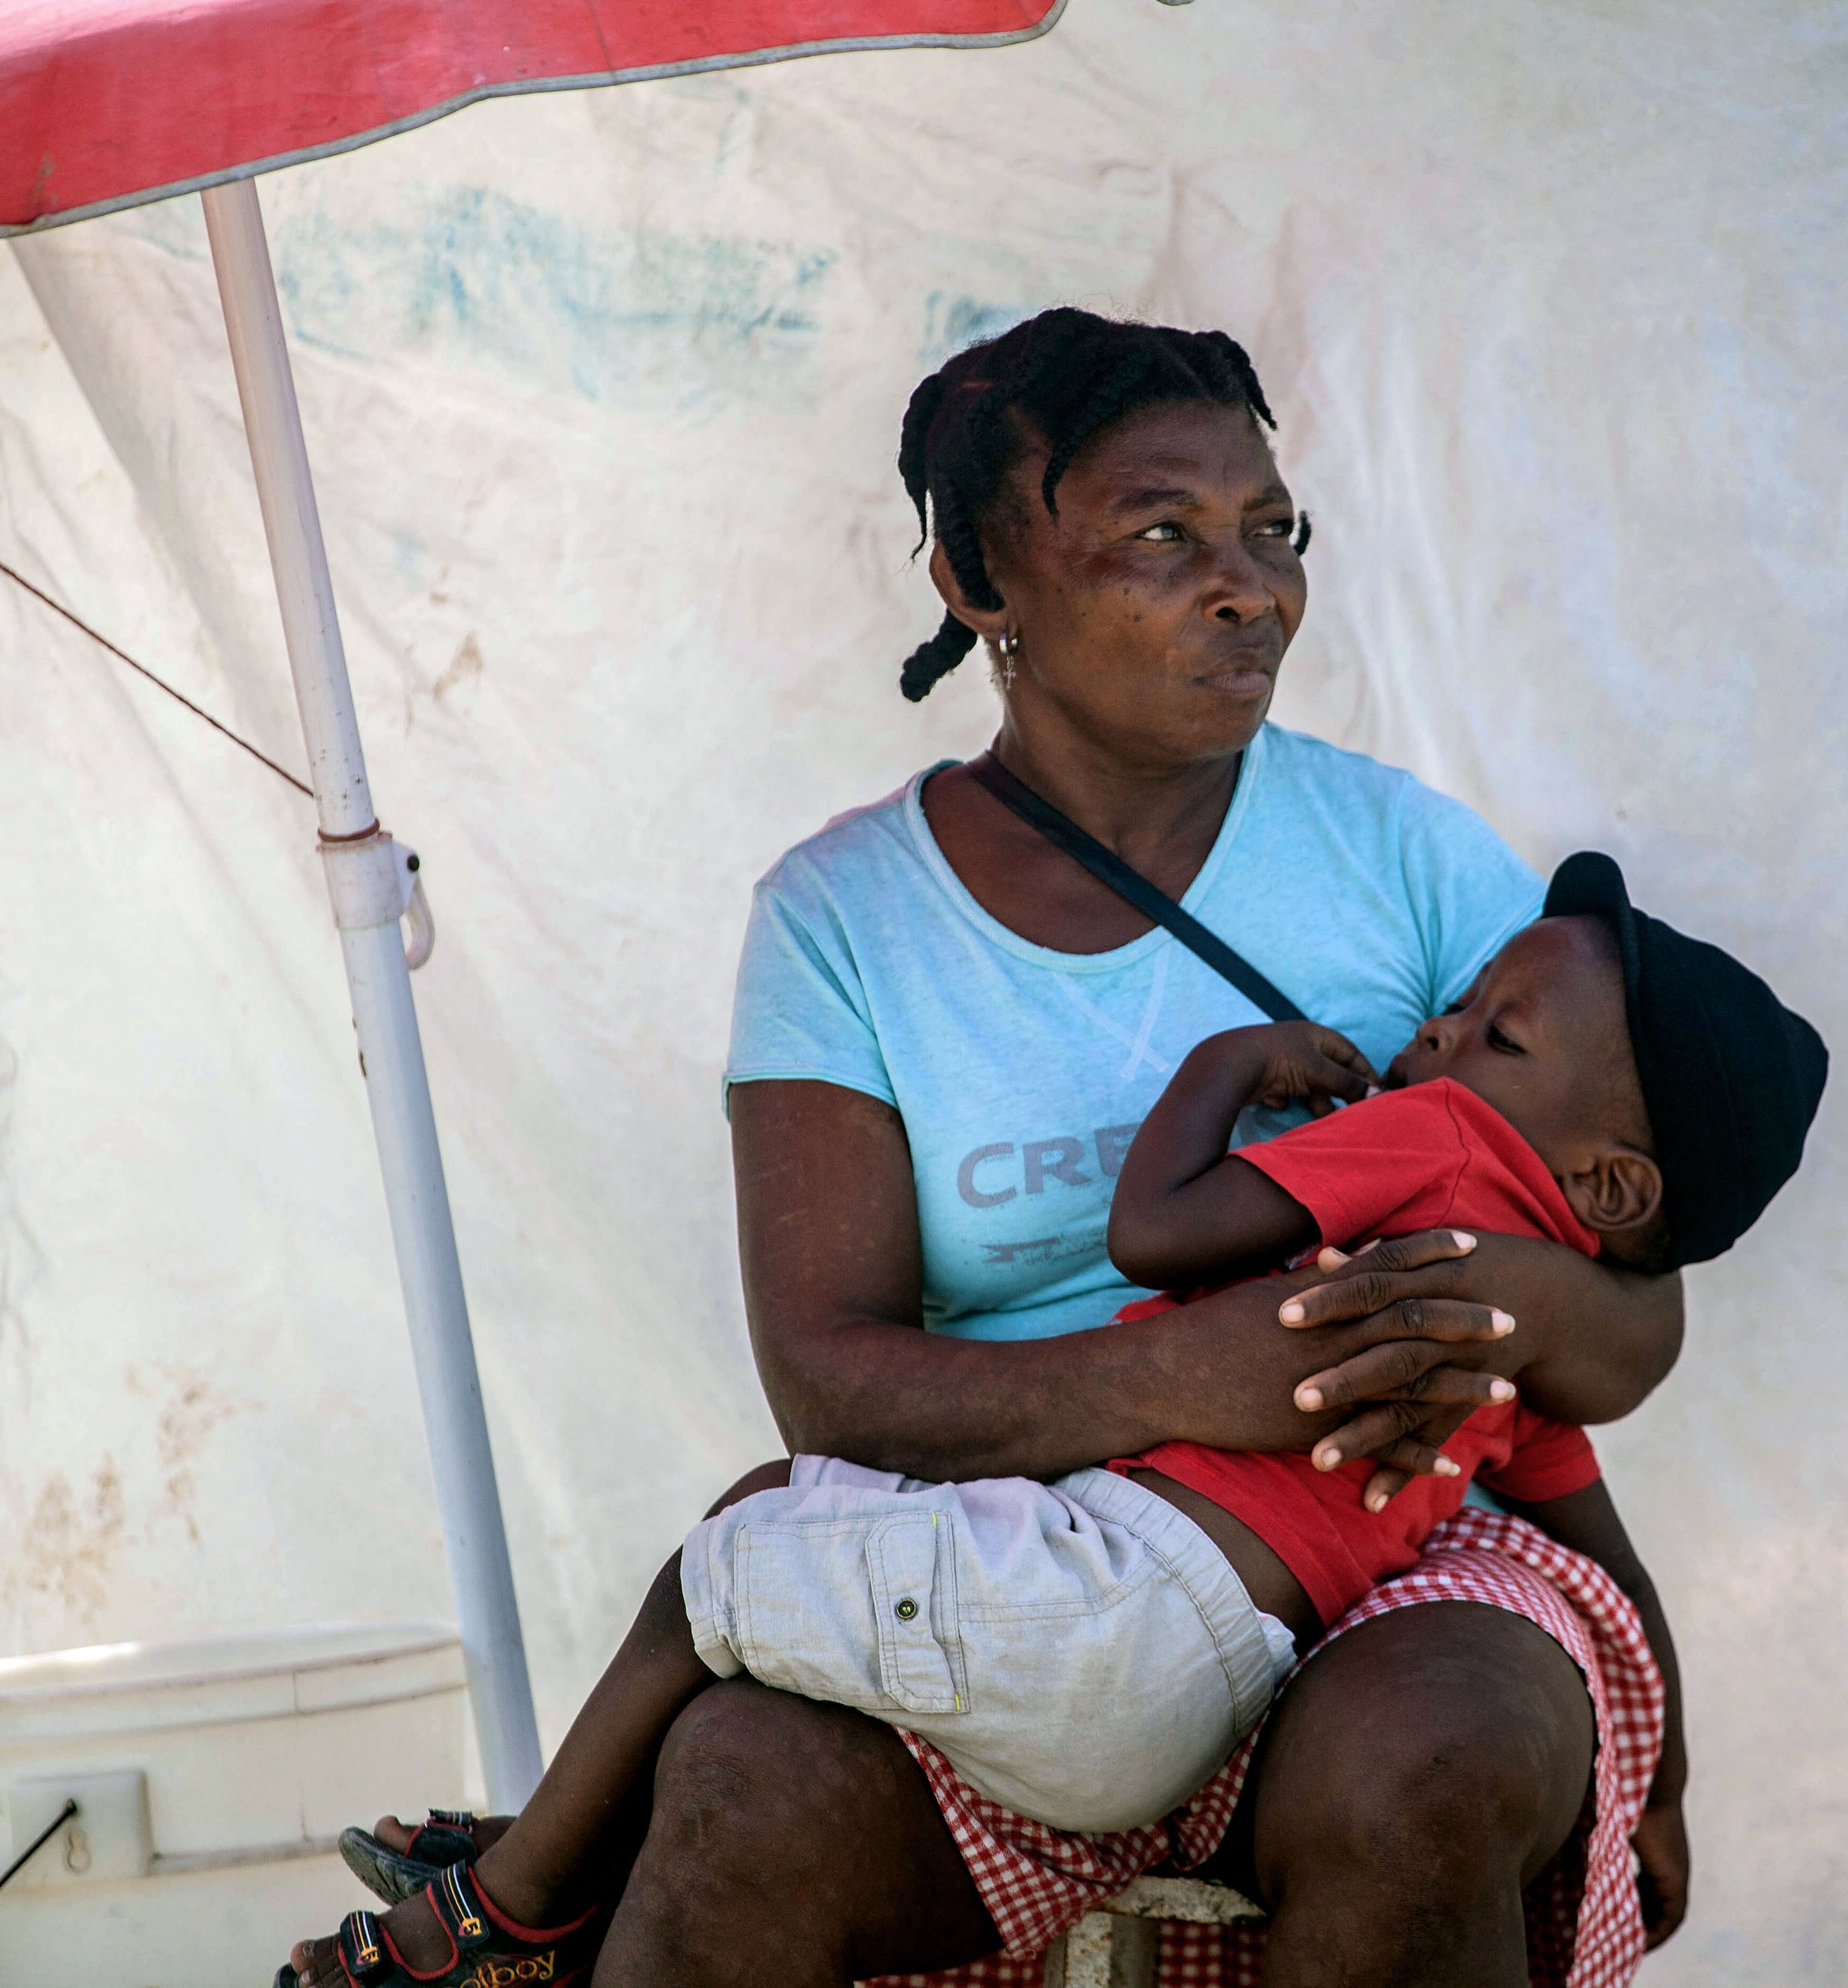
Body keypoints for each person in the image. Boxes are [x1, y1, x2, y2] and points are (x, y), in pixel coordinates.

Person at [304, 307, 1757, 1988]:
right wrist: (1202, 1376)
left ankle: (501, 1904)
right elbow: (835, 1391)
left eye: (1272, 530)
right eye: (1161, 533)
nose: (1251, 585)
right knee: (741, 1787)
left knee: (1429, 1761)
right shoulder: (847, 920)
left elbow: (1634, 1305)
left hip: (1394, 1529)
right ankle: (522, 1927)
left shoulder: (1404, 859)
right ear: (984, 581)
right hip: (1006, 1540)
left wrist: (1483, 1298)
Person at [278, 859, 1825, 1986]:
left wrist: (1229, 1071)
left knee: (728, 1554)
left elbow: (1160, 1237)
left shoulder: (1424, 1149)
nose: (1439, 1034)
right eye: (1464, 1003)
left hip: (1110, 1609)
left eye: (1496, 1033)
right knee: (763, 1605)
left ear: (1614, 1186)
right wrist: (1665, 1781)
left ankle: (503, 1912)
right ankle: (534, 1882)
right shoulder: (1500, 1362)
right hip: (1221, 1637)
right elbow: (1602, 1555)